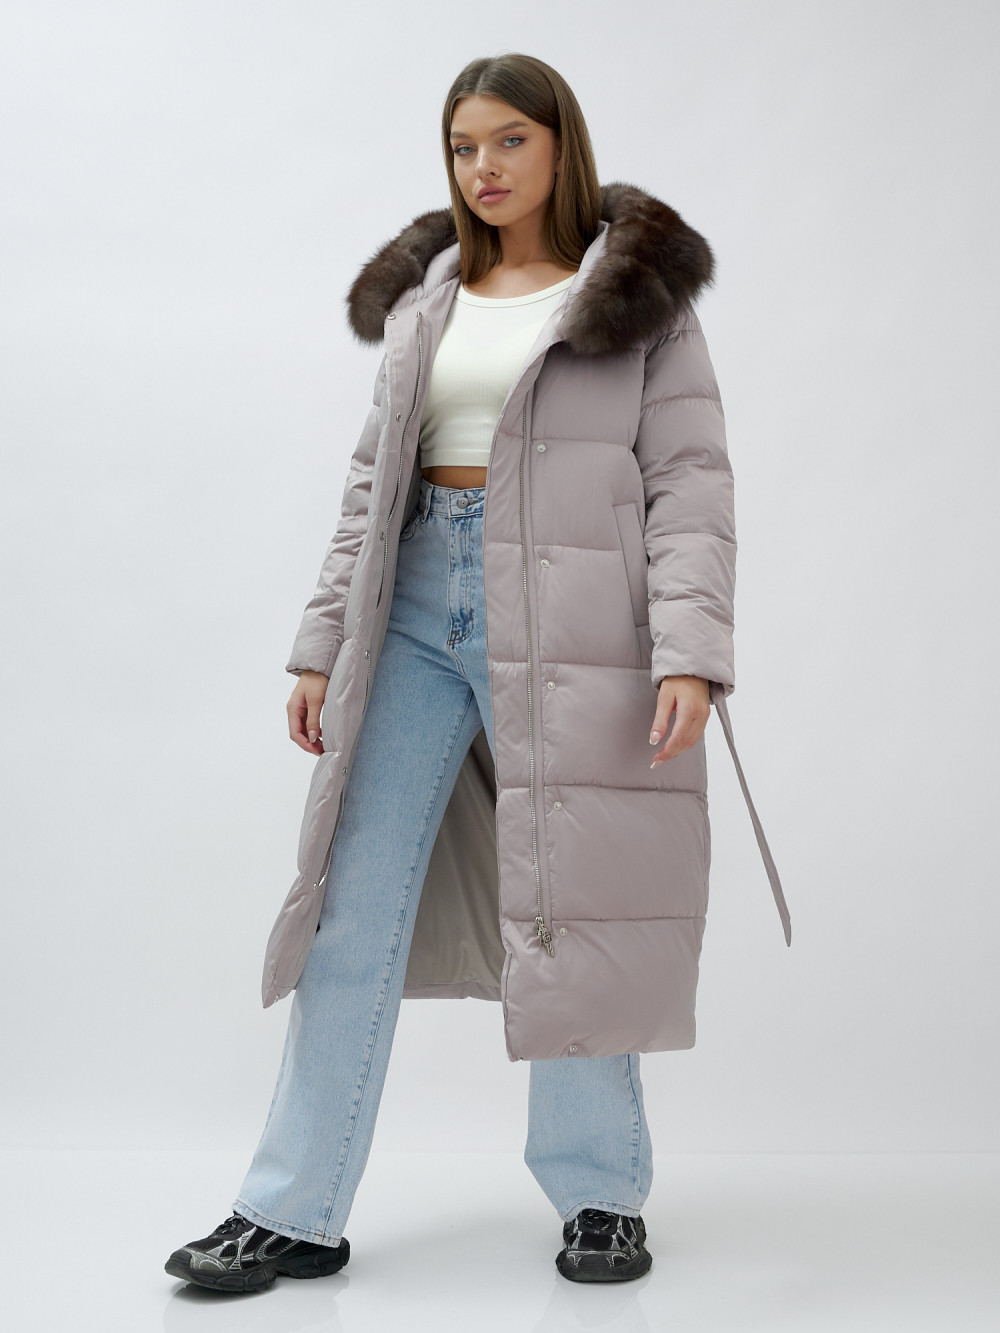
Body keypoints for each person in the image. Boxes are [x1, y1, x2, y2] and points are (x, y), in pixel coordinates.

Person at [164, 51, 790, 1295]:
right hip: (413, 611)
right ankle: (291, 1209)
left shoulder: (640, 301)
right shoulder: (430, 296)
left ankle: (600, 1194)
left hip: (575, 622)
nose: (484, 167)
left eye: (509, 140)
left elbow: (689, 485)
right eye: (463, 147)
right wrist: (319, 643)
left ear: (560, 145)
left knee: (573, 905)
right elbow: (370, 487)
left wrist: (692, 653)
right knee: (348, 906)